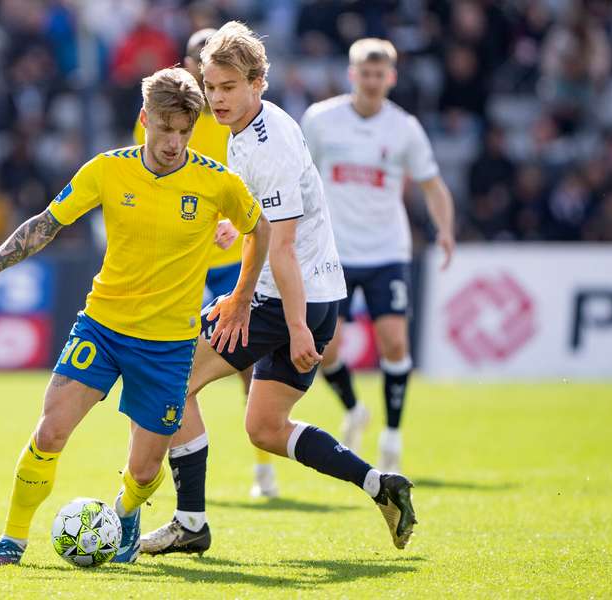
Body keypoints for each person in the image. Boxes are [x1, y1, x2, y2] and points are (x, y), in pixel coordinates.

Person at [0, 66, 270, 566]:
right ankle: (10, 540)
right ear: (145, 120)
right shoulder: (108, 169)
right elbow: (47, 223)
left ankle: (125, 516)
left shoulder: (215, 181)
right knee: (50, 431)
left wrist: (243, 294)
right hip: (102, 326)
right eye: (166, 129)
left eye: (184, 131)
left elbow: (260, 229)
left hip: (168, 346)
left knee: (144, 472)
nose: (174, 142)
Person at [141, 22, 417, 557]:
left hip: (289, 300)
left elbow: (284, 249)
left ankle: (188, 522)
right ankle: (380, 485)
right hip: (312, 295)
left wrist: (277, 319)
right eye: (210, 86)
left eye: (227, 88)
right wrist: (237, 227)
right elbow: (266, 220)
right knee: (266, 428)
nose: (216, 99)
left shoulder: (267, 144)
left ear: (258, 82)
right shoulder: (254, 127)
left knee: (169, 379)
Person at [133, 28, 279, 499]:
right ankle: (152, 475)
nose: (206, 78)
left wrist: (235, 224)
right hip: (183, 261)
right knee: (162, 363)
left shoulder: (234, 116)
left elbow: (254, 190)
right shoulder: (173, 116)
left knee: (244, 368)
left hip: (233, 258)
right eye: (199, 64)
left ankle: (262, 470)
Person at [301, 38, 456, 471]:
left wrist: (444, 228)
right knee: (325, 351)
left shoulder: (404, 128)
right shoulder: (321, 120)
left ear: (391, 77)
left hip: (388, 249)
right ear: (353, 75)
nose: (372, 82)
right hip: (334, 251)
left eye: (379, 75)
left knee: (394, 341)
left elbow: (432, 183)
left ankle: (391, 436)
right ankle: (353, 407)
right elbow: (297, 175)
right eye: (364, 74)